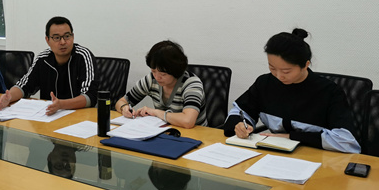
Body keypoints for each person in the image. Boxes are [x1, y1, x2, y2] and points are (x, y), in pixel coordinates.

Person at [222, 28, 361, 153]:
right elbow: (240, 110)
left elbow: (346, 141)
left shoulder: (329, 92)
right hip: (274, 154)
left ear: (305, 65)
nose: (278, 76)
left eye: (286, 71)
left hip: (319, 159)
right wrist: (240, 125)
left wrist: (291, 137)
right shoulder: (265, 83)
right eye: (272, 68)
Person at [0, 16, 97, 115]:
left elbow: (90, 96)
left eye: (67, 36)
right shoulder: (43, 59)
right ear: (47, 40)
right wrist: (9, 97)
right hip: (50, 116)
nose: (63, 42)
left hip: (79, 116)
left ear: (73, 36)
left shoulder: (83, 56)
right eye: (57, 38)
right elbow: (24, 86)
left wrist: (61, 104)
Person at [114, 40, 207, 128]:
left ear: (176, 71)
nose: (157, 77)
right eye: (153, 71)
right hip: (165, 132)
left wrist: (155, 112)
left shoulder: (191, 84)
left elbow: (188, 121)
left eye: (163, 74)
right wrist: (124, 108)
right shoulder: (151, 79)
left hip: (196, 135)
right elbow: (121, 102)